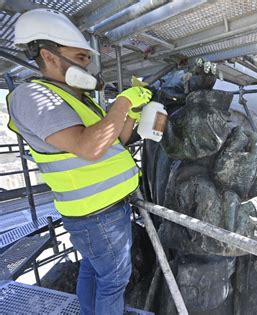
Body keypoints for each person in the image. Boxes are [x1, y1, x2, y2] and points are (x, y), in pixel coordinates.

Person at [7, 8, 152, 314]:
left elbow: (115, 143)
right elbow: (90, 147)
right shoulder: (32, 95)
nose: (88, 64)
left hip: (103, 211)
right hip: (97, 215)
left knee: (94, 270)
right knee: (114, 281)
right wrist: (124, 101)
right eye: (81, 57)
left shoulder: (75, 98)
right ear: (49, 56)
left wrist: (132, 115)